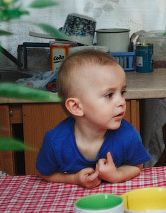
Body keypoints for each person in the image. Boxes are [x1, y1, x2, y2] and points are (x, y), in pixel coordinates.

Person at [35, 49, 150, 188]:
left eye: (122, 92)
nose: (121, 101)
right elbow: (44, 173)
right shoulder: (55, 142)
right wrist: (74, 179)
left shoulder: (128, 135)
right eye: (109, 95)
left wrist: (117, 175)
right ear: (76, 107)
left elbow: (137, 166)